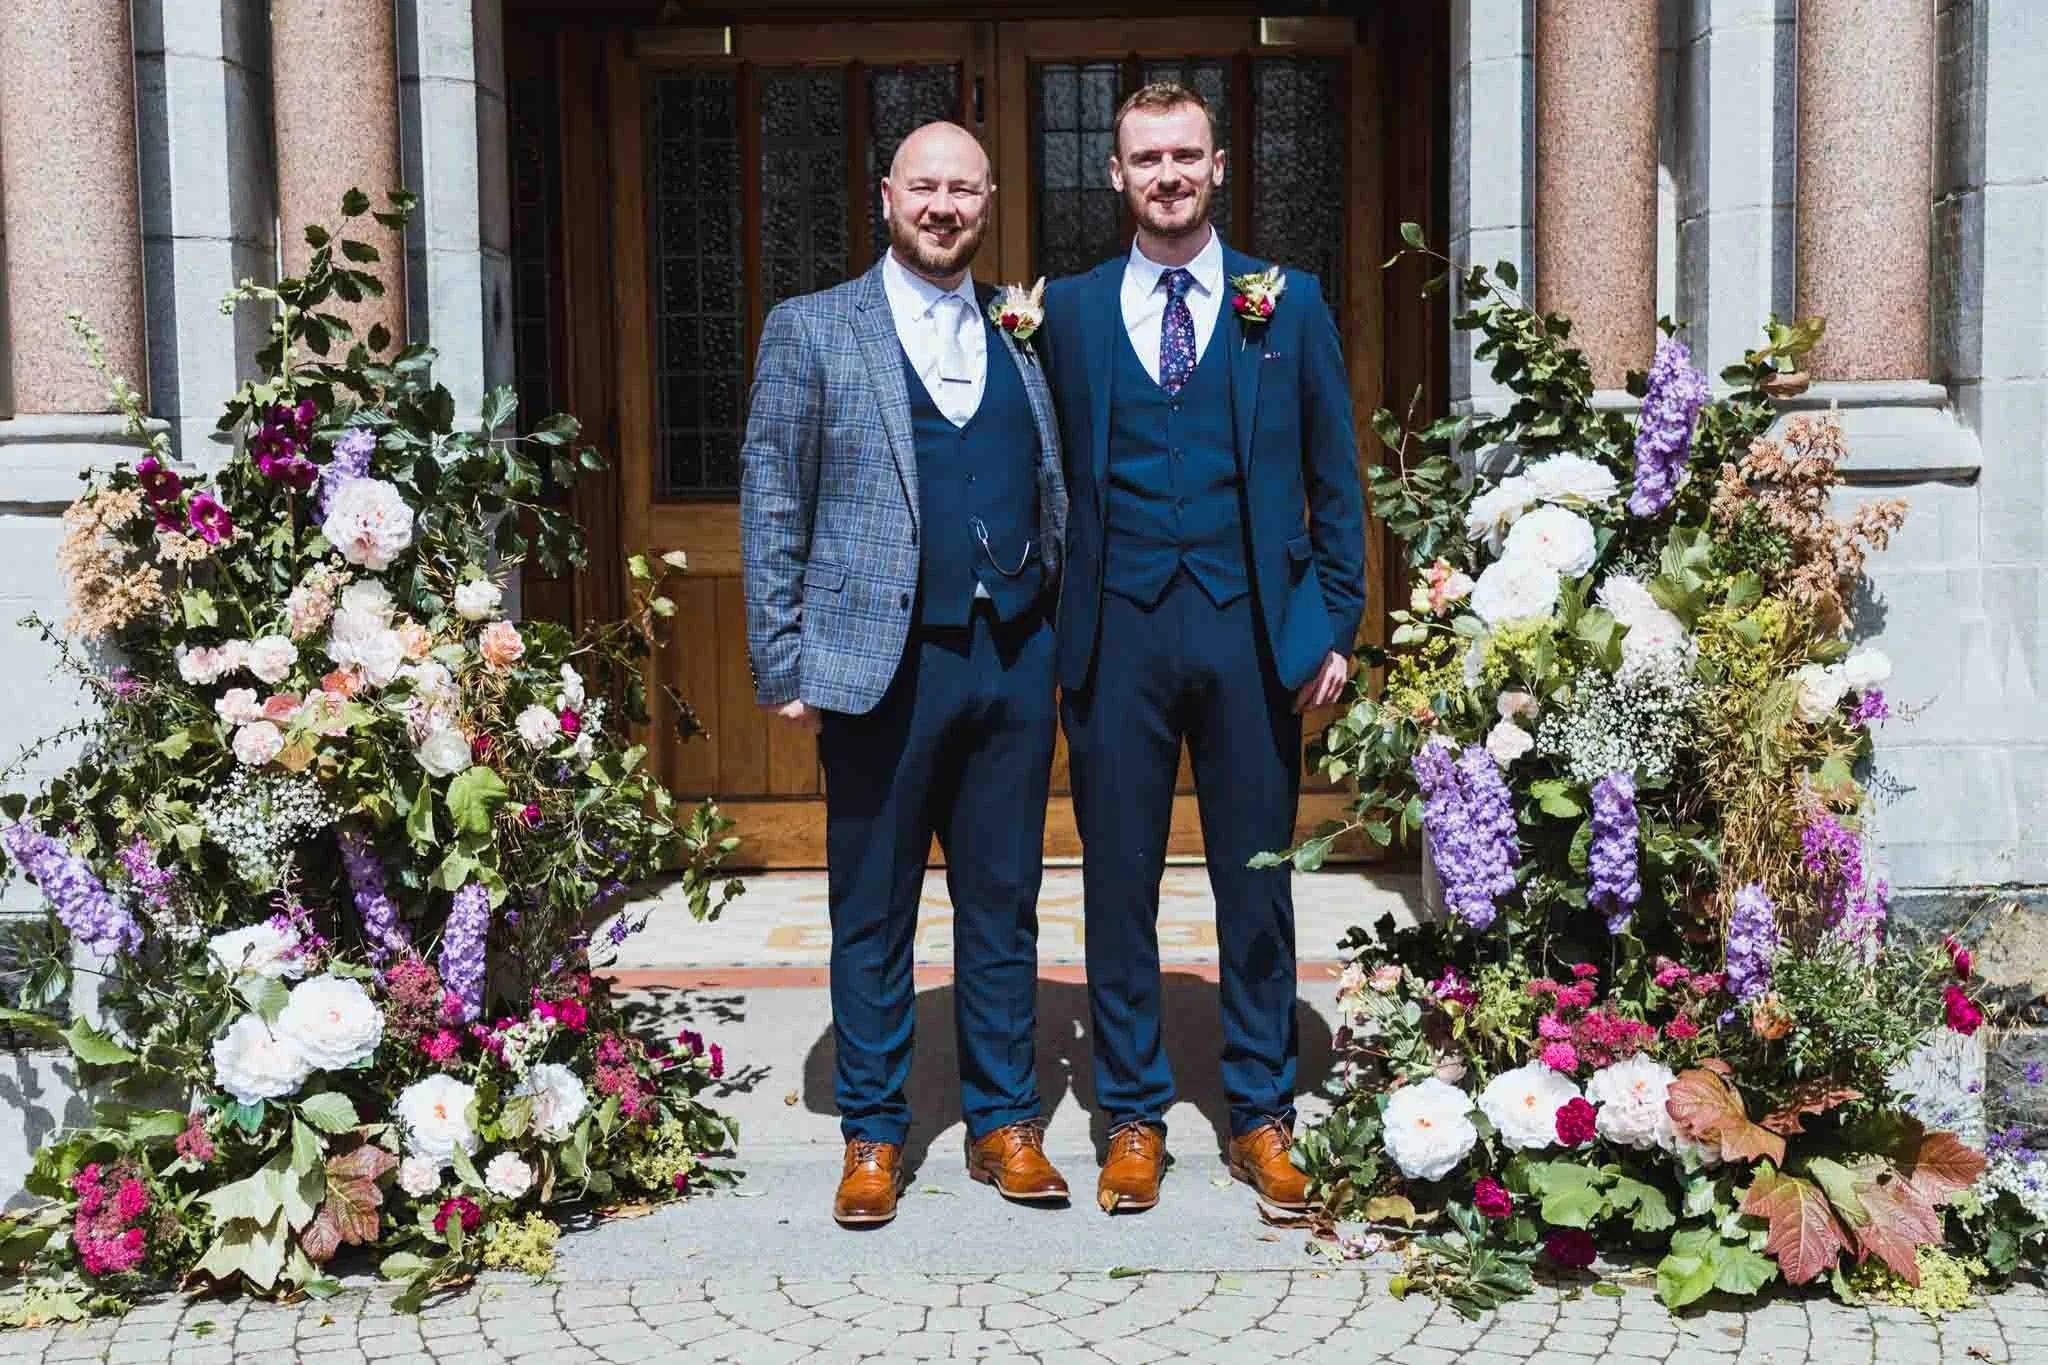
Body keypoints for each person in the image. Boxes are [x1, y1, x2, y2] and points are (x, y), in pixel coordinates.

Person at [1037, 82, 1366, 1214]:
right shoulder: (1066, 315)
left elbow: (1335, 473)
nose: (1166, 175)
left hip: (1247, 628)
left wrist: (1332, 618)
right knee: (1117, 881)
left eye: (1184, 155)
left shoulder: (1288, 302)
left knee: (1253, 882)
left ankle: (1260, 1110)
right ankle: (1131, 1114)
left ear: (1217, 166)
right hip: (1115, 632)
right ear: (1116, 176)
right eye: (1144, 159)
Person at [739, 121, 1070, 1227]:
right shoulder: (813, 328)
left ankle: (1003, 1121)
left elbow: (1048, 483)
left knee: (1003, 904)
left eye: (962, 190)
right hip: (877, 664)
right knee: (871, 909)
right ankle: (873, 1133)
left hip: (1012, 656)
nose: (943, 207)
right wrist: (779, 655)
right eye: (923, 187)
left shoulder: (1020, 333)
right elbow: (773, 494)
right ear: (887, 196)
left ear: (987, 202)